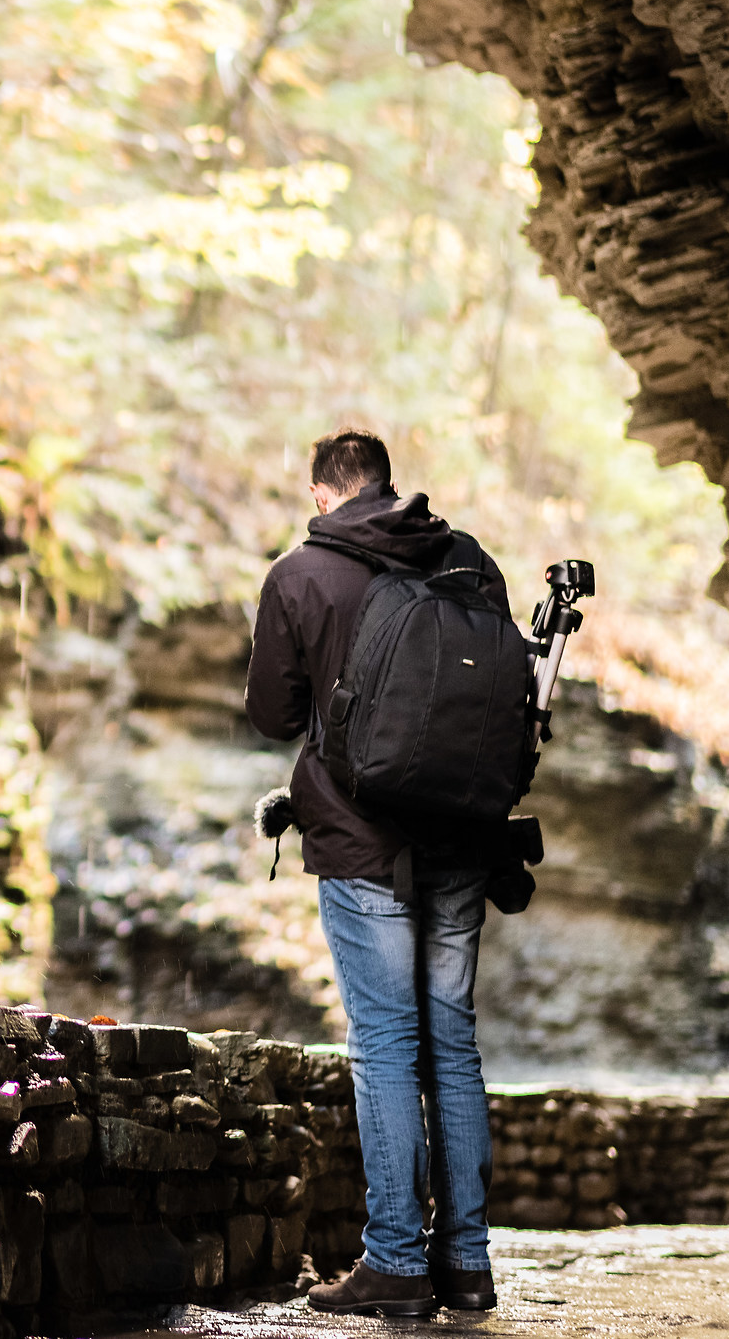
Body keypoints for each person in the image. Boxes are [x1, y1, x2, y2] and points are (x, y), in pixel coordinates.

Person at [244, 430, 504, 1319]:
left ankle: (394, 1261)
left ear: (324, 496)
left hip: (361, 841)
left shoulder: (302, 574)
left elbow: (273, 715)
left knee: (387, 1043)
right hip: (464, 837)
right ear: (388, 485)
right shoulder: (467, 560)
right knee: (453, 1044)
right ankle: (466, 1266)